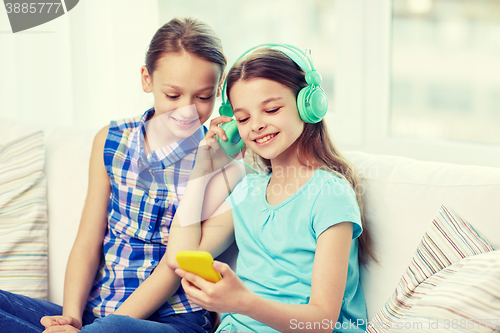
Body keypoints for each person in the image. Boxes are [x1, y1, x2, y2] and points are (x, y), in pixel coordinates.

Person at [0, 17, 229, 333]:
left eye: (203, 97)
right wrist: (72, 318)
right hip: (98, 311)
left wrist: (103, 328)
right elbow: (87, 240)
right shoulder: (111, 140)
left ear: (219, 87)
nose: (188, 111)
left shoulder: (218, 161)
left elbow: (173, 266)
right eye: (173, 96)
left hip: (172, 319)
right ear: (146, 79)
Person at [165, 45, 376, 333]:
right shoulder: (248, 190)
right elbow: (180, 255)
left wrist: (241, 302)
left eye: (272, 109)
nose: (257, 126)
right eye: (243, 118)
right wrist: (201, 172)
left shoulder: (330, 195)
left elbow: (323, 320)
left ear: (308, 104)